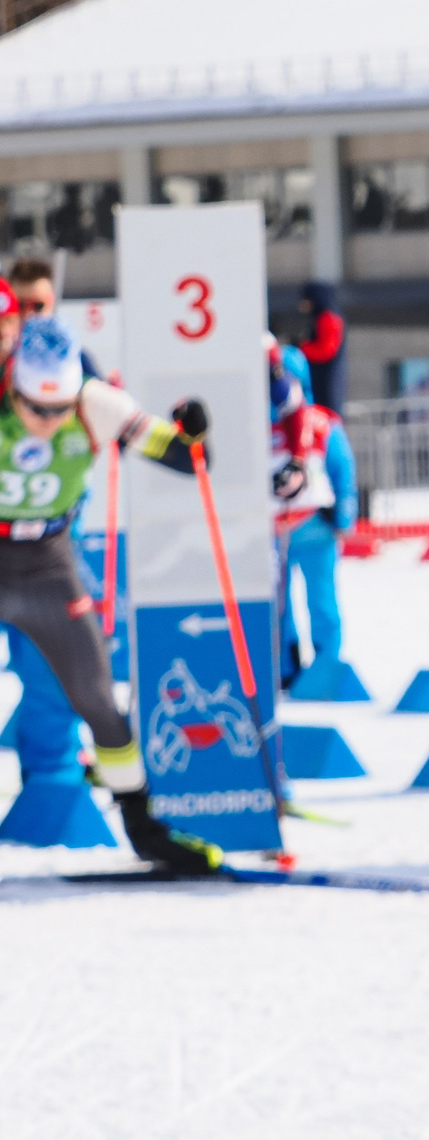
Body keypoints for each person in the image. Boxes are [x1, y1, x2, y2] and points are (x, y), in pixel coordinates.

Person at [0, 317, 220, 871]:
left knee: (98, 699)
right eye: (36, 409)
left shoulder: (95, 404)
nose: (49, 422)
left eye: (60, 409)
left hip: (48, 565)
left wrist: (193, 432)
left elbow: (186, 459)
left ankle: (145, 830)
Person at [268, 341, 357, 691]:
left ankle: (327, 663)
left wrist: (344, 516)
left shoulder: (318, 422)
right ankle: (284, 665)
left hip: (315, 526)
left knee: (322, 599)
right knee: (278, 605)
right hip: (273, 530)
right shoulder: (258, 422)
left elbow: (342, 468)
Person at [294, 281, 346, 414]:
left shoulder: (328, 318)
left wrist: (302, 348)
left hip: (327, 378)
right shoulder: (319, 318)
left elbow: (326, 351)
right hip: (318, 378)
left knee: (328, 413)